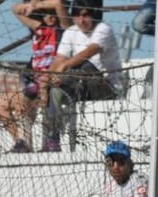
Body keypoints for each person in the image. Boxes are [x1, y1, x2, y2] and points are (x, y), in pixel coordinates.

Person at [42, 0, 122, 152]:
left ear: (94, 14)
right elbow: (59, 58)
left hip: (105, 88)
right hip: (79, 84)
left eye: (85, 15)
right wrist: (47, 80)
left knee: (86, 67)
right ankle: (52, 139)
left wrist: (64, 68)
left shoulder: (103, 29)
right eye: (77, 15)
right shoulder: (71, 31)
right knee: (54, 89)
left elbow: (89, 52)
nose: (81, 20)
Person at [0, 0, 70, 153]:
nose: (50, 16)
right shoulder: (38, 28)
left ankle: (51, 140)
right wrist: (31, 6)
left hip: (53, 82)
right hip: (34, 86)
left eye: (52, 13)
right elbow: (15, 9)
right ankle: (21, 142)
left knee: (47, 93)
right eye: (46, 14)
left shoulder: (64, 30)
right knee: (1, 104)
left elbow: (59, 4)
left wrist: (37, 5)